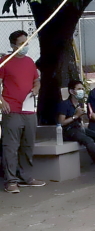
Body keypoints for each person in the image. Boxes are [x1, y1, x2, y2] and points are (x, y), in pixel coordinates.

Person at [1, 30, 45, 193]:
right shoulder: (4, 62)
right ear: (13, 45)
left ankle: (26, 177)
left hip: (28, 110)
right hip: (11, 109)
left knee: (27, 144)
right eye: (22, 44)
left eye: (27, 43)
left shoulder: (29, 62)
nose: (25, 46)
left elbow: (37, 81)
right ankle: (11, 181)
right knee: (11, 146)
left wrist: (36, 88)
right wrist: (1, 101)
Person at [58, 80, 95, 179]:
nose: (81, 91)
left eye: (82, 89)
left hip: (79, 128)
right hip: (69, 131)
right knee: (89, 141)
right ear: (71, 91)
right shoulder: (65, 104)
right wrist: (75, 116)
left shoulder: (79, 104)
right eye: (79, 89)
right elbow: (61, 122)